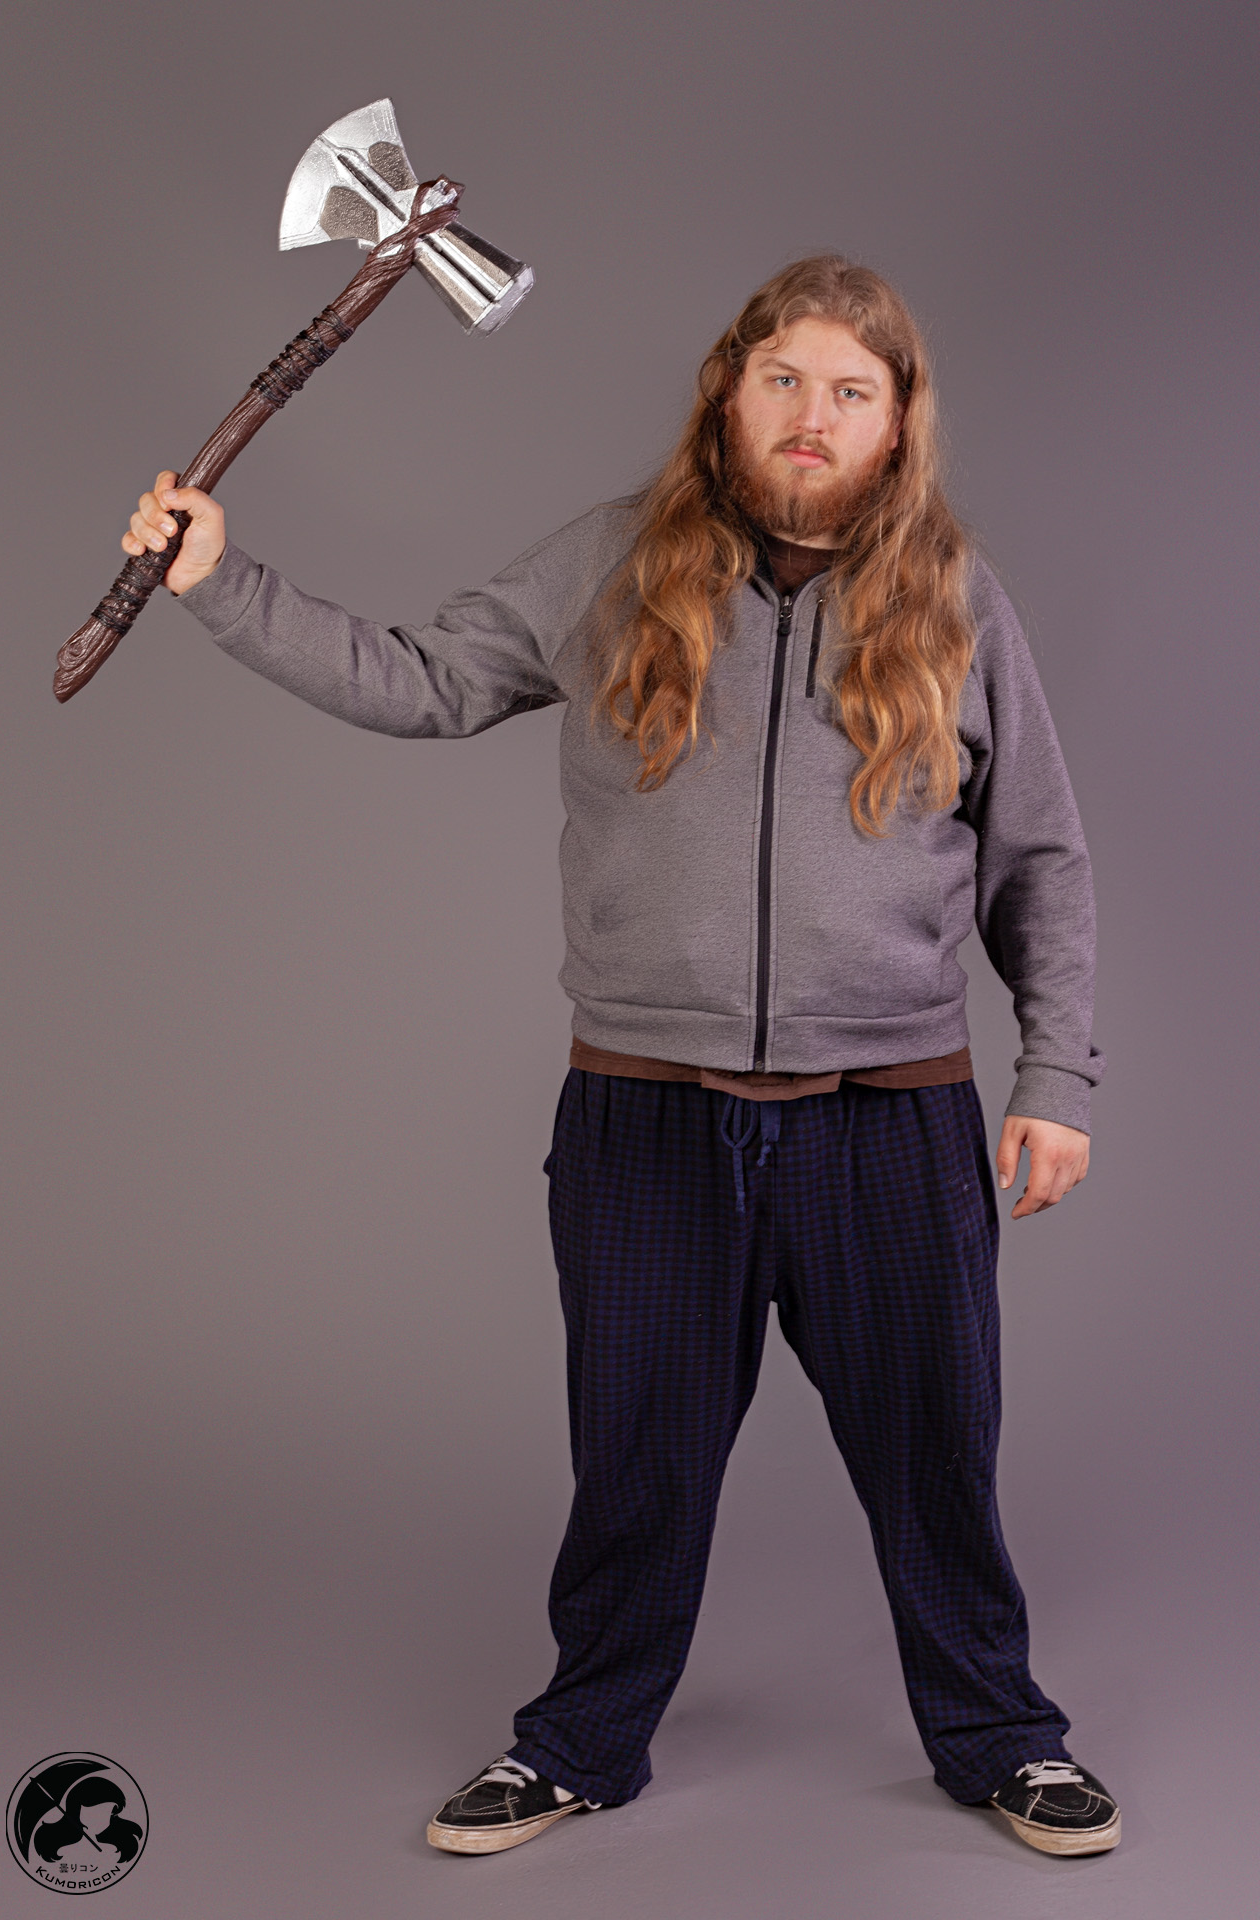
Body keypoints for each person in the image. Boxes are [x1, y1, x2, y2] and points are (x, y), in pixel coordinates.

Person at [122, 255, 1118, 1859]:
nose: (812, 417)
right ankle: (580, 1742)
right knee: (635, 1462)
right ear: (729, 392)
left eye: (850, 391)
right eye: (784, 380)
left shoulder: (956, 599)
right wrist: (221, 581)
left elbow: (1041, 861)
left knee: (938, 1454)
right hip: (647, 1119)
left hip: (890, 1120)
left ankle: (1003, 1735)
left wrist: (1054, 1081)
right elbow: (423, 680)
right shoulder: (611, 563)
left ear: (897, 423)